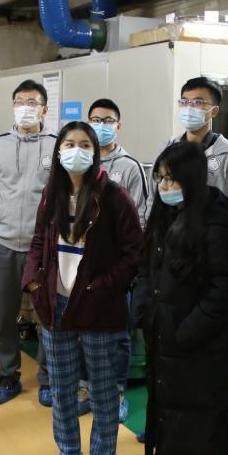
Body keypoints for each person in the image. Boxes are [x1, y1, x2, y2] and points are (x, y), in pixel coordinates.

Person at [22, 121, 142, 455]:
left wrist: (100, 288)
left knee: (103, 389)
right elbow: (38, 242)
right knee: (62, 388)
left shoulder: (113, 196)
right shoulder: (52, 194)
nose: (77, 150)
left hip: (98, 306)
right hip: (55, 305)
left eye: (85, 145)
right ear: (59, 151)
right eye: (69, 144)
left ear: (95, 152)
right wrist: (35, 283)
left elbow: (133, 254)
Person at [136, 142, 228, 455]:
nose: (164, 186)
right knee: (178, 418)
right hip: (167, 340)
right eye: (160, 178)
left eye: (172, 178)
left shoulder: (217, 221)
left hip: (202, 346)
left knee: (205, 419)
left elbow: (225, 290)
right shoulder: (165, 215)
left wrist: (185, 332)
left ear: (193, 178)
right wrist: (145, 312)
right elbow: (145, 269)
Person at [0, 80, 56, 405]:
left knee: (48, 316)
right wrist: (8, 222)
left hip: (44, 250)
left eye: (32, 102)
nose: (25, 107)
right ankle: (8, 376)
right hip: (5, 246)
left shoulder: (58, 145)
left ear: (44, 109)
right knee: (3, 316)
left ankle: (47, 379)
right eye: (19, 101)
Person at [78, 98, 150, 421]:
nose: (101, 126)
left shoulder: (130, 167)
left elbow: (141, 217)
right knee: (81, 327)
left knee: (119, 334)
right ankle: (84, 388)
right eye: (95, 120)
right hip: (81, 266)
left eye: (108, 120)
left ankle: (117, 391)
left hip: (118, 268)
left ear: (118, 125)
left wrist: (124, 262)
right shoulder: (80, 163)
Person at [168, 76, 228, 215]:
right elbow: (154, 200)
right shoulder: (169, 148)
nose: (189, 108)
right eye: (184, 102)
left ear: (214, 111)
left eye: (198, 102)